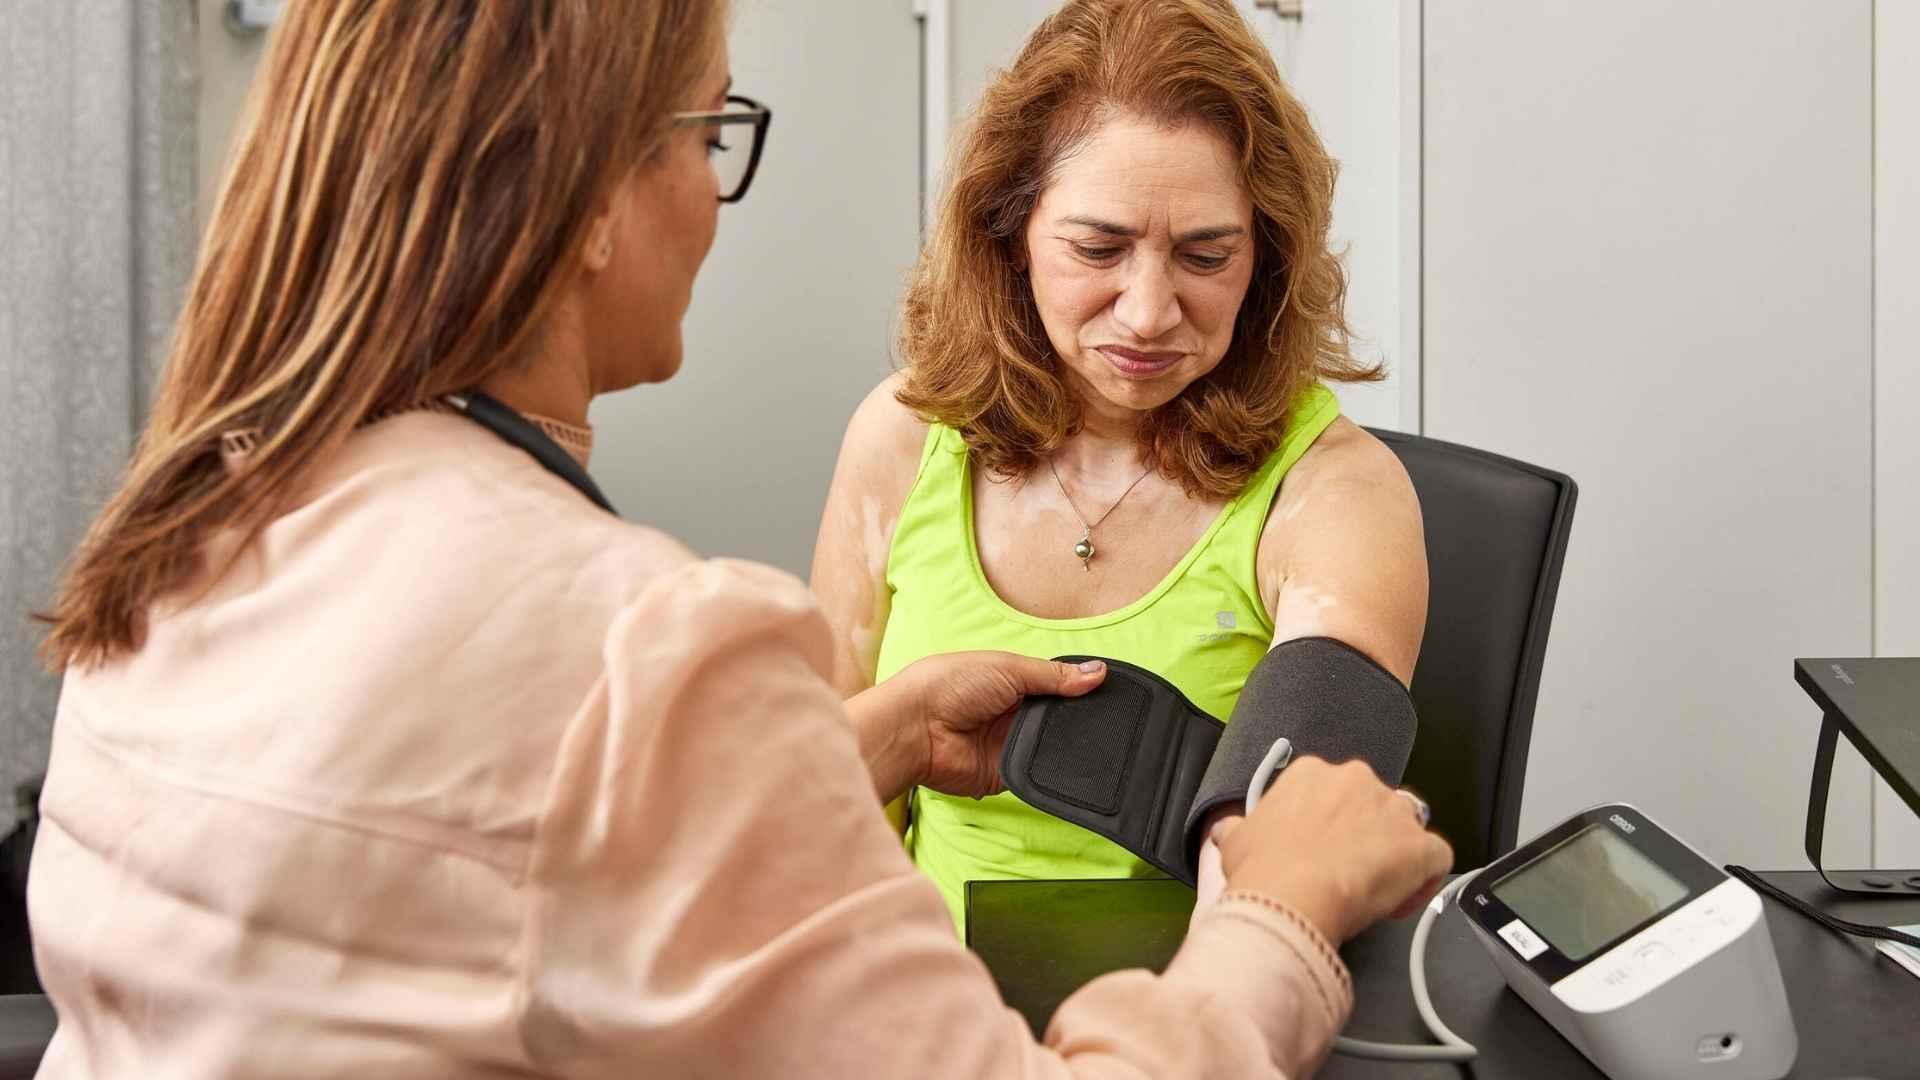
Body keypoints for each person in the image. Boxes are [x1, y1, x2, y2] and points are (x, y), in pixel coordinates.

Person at [27, 1, 1449, 1076]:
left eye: (1204, 253)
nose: (1148, 310)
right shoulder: (658, 643)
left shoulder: (183, 541)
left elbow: (479, 862)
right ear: (592, 201)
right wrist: (1276, 919)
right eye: (709, 132)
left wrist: (848, 743)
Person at [812, 0, 1430, 935]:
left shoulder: (1337, 494)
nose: (1147, 312)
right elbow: (803, 805)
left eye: (1204, 254)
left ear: (1265, 255)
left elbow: (1287, 851)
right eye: (1097, 248)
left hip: (1199, 1006)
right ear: (1009, 233)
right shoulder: (901, 438)